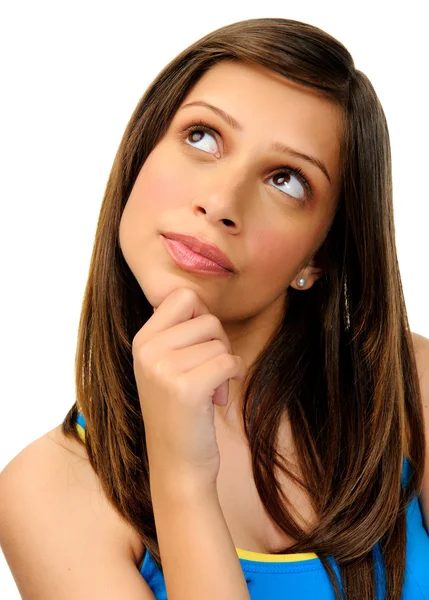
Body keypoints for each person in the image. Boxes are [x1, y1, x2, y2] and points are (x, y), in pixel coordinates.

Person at [0, 16, 428, 600]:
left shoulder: (411, 387)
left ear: (320, 256)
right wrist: (181, 479)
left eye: (287, 180)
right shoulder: (48, 490)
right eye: (202, 137)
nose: (222, 202)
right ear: (139, 156)